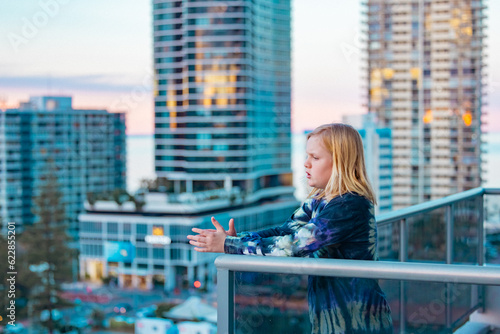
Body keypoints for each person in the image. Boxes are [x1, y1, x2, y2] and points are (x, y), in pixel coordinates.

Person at [187, 123, 393, 334]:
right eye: (307, 156)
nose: (306, 164)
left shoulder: (349, 205)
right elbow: (285, 231)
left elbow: (293, 246)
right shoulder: (320, 200)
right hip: (331, 319)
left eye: (315, 157)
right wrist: (238, 238)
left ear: (339, 162)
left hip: (358, 323)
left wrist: (229, 245)